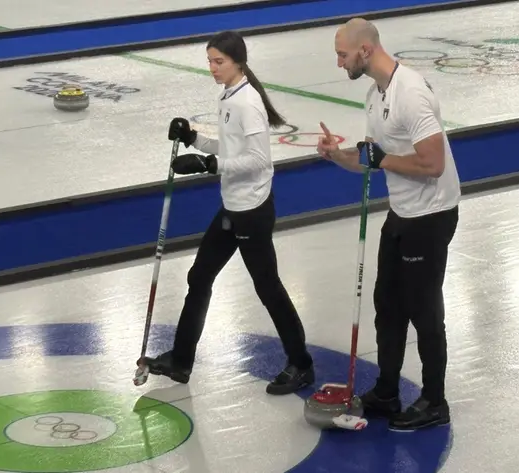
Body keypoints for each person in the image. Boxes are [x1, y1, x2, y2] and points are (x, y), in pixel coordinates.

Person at [142, 30, 315, 396]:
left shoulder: (247, 102)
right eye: (209, 61)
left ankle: (301, 363)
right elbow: (230, 146)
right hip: (233, 205)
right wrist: (193, 138)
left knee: (268, 287)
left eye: (219, 61)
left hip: (251, 209)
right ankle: (182, 360)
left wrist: (209, 164)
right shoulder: (229, 96)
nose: (213, 68)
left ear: (238, 61)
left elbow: (257, 160)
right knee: (199, 276)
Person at [317, 18, 461, 431]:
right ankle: (386, 391)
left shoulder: (410, 93)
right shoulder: (373, 95)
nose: (339, 63)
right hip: (402, 212)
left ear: (365, 50)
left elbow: (433, 164)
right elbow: (372, 159)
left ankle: (435, 400)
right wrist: (337, 155)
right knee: (387, 306)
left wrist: (380, 160)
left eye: (342, 55)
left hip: (431, 215)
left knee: (424, 310)